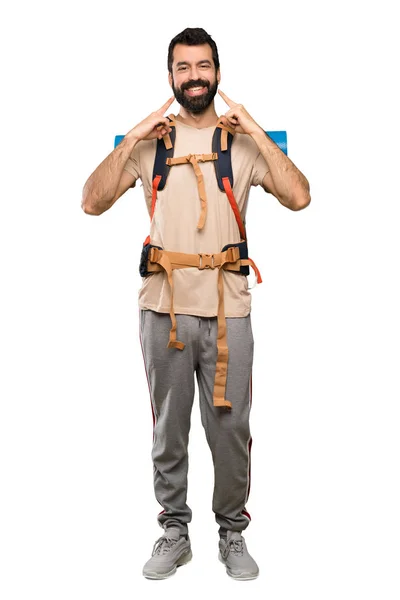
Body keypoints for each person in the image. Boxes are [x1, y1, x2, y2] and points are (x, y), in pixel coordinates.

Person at [81, 27, 310, 580]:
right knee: (168, 428)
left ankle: (231, 532)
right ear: (170, 78)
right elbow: (91, 201)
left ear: (218, 73)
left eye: (203, 66)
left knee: (231, 429)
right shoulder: (149, 144)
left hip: (229, 307)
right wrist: (134, 132)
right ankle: (174, 530)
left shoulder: (244, 144)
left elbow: (300, 196)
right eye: (183, 68)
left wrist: (252, 124)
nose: (194, 76)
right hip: (164, 305)